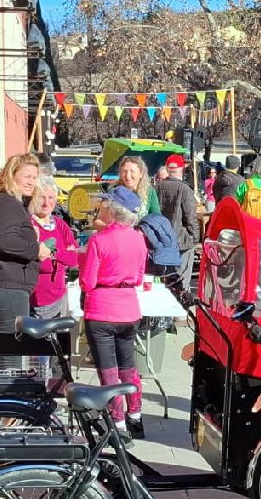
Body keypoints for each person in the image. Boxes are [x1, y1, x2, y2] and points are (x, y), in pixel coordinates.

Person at [81, 185, 149, 439]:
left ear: (112, 210)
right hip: (129, 307)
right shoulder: (138, 238)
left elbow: (88, 282)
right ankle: (136, 414)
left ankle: (117, 422)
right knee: (128, 365)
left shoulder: (98, 240)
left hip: (102, 308)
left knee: (108, 369)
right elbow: (140, 276)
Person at [0, 152, 47, 333]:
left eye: (35, 177)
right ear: (11, 175)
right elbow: (5, 240)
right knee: (12, 352)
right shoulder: (6, 203)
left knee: (1, 348)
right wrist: (35, 250)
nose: (32, 182)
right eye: (27, 176)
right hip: (6, 286)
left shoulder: (4, 202)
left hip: (2, 285)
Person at [29, 176, 78, 319]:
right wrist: (64, 253)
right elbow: (40, 263)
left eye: (51, 198)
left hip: (58, 295)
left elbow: (74, 259)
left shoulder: (60, 224)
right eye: (41, 197)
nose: (46, 203)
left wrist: (53, 252)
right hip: (36, 297)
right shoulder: (29, 224)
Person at [156, 154, 200, 285]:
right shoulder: (185, 189)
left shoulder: (158, 187)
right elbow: (190, 217)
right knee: (182, 282)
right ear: (182, 168)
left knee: (165, 280)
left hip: (162, 239)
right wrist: (194, 238)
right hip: (182, 241)